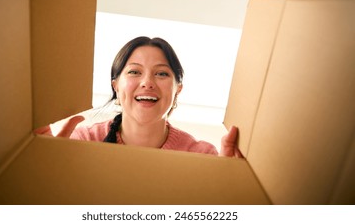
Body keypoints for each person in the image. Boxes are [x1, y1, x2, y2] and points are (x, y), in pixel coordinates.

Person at [34, 36, 243, 158]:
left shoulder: (201, 156)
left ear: (178, 88)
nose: (147, 82)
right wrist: (46, 171)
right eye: (134, 72)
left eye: (161, 73)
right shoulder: (81, 142)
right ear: (115, 85)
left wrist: (226, 186)